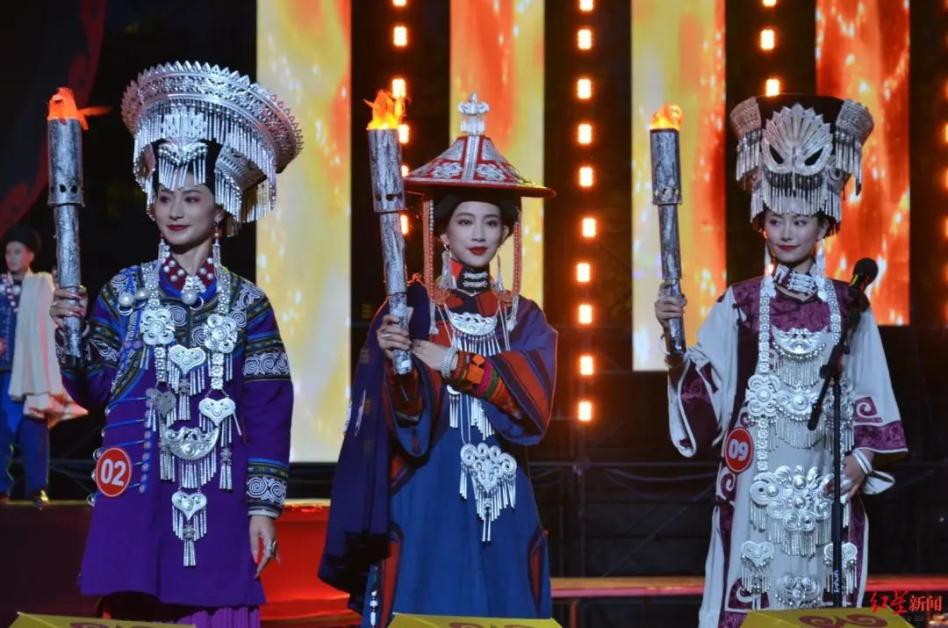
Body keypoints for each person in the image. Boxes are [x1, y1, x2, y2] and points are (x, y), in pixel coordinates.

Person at [49, 61, 302, 626]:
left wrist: (264, 508)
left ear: (222, 205)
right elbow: (93, 387)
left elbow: (268, 410)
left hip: (222, 498)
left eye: (191, 197)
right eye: (165, 198)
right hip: (138, 495)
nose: (176, 211)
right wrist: (68, 336)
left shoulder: (247, 304)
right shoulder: (124, 292)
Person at [655, 95, 908, 626]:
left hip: (827, 486)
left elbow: (873, 395)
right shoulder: (740, 303)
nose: (787, 232)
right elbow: (704, 391)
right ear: (761, 223)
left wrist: (862, 461)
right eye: (776, 220)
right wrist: (674, 344)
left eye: (800, 220)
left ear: (823, 223)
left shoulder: (850, 304)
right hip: (757, 493)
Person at [320, 94, 557, 625]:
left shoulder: (524, 316)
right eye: (465, 221)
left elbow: (535, 406)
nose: (478, 234)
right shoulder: (412, 307)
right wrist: (398, 367)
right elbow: (404, 422)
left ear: (506, 232)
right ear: (442, 231)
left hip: (505, 491)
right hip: (429, 486)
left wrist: (454, 363)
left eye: (491, 222)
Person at [0, 224, 85, 506]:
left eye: (17, 252)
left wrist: (62, 283)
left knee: (33, 430)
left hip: (31, 373)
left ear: (30, 255)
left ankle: (37, 488)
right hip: (4, 373)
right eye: (8, 252)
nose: (12, 257)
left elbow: (57, 316)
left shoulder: (41, 285)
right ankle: (1, 489)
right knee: (2, 431)